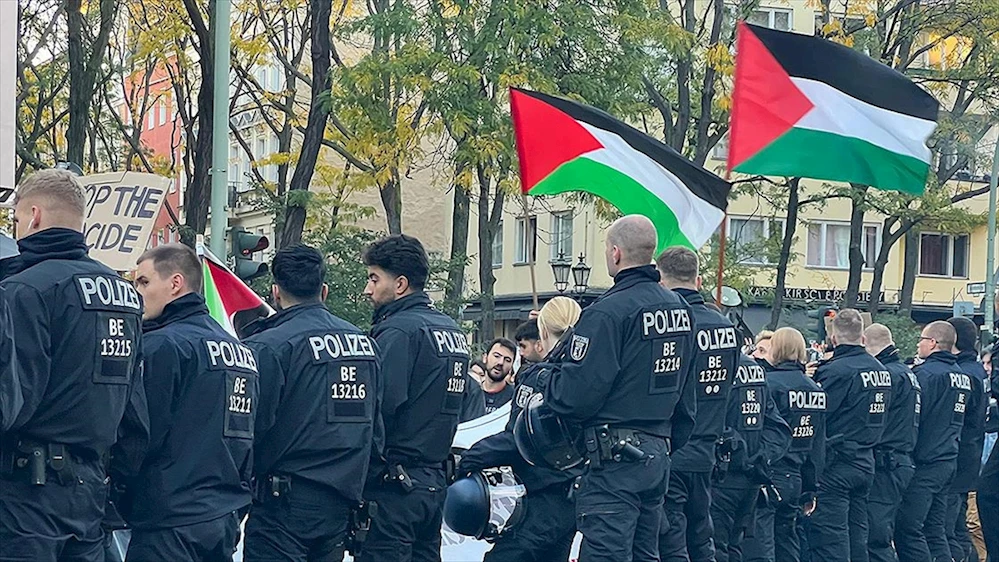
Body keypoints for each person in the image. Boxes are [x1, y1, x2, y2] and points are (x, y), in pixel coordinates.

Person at [0, 169, 148, 561]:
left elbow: (11, 400)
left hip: (25, 496)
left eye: (16, 218)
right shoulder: (127, 296)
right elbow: (134, 412)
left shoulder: (23, 290)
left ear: (34, 216)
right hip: (90, 491)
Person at [544, 215, 697, 562]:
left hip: (613, 460)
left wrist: (545, 380)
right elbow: (685, 393)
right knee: (646, 554)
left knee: (606, 554)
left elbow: (576, 396)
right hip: (657, 453)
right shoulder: (681, 310)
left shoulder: (608, 312)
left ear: (615, 253)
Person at [241, 244, 381, 561]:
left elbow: (251, 430)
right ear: (324, 290)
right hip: (340, 504)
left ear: (275, 293)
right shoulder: (364, 345)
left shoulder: (268, 346)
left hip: (281, 506)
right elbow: (375, 429)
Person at [125, 244, 257, 561]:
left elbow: (141, 435)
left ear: (175, 283)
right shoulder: (241, 352)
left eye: (144, 282)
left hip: (168, 519)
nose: (137, 292)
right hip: (222, 516)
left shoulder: (162, 345)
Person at [359, 234, 470, 562]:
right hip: (433, 482)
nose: (368, 289)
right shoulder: (452, 331)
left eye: (374, 279)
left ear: (400, 284)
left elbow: (379, 410)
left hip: (395, 486)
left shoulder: (398, 332)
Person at [458, 296, 583, 561]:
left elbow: (517, 438)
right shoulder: (586, 375)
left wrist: (468, 459)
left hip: (544, 493)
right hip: (575, 493)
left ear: (543, 333)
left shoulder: (541, 378)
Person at [656, 247, 740, 562]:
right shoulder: (726, 328)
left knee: (671, 543)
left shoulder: (669, 324)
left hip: (672, 448)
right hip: (707, 451)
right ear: (699, 281)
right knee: (702, 541)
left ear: (660, 280)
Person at [808, 308, 892, 562]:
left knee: (831, 538)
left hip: (837, 463)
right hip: (867, 460)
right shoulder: (881, 370)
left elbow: (820, 415)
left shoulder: (836, 371)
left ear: (833, 339)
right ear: (863, 338)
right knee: (858, 534)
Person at [742, 327, 824, 562]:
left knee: (760, 545)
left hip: (769, 474)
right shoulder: (816, 390)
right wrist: (810, 487)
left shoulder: (769, 385)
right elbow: (817, 445)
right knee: (788, 542)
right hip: (796, 476)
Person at [896, 321, 973, 562]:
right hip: (948, 459)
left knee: (908, 528)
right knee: (935, 530)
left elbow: (915, 417)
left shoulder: (926, 375)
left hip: (925, 462)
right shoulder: (962, 376)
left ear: (932, 343)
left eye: (921, 339)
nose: (918, 344)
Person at [710, 351, 791, 562]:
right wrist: (760, 457)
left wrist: (741, 453)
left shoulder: (715, 363)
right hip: (750, 477)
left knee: (715, 547)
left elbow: (706, 418)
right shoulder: (755, 370)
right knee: (735, 546)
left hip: (722, 474)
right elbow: (778, 428)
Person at [864, 323, 921, 562]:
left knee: (876, 535)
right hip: (902, 460)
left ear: (865, 342)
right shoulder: (906, 373)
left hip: (886, 462)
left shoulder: (888, 375)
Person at [946, 317, 988, 562]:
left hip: (957, 454)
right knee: (959, 524)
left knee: (950, 526)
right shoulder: (977, 370)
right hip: (971, 453)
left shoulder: (963, 373)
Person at [481, 338, 517, 413]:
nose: (500, 362)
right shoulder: (471, 394)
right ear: (485, 358)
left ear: (511, 366)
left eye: (507, 360)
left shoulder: (515, 397)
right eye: (496, 356)